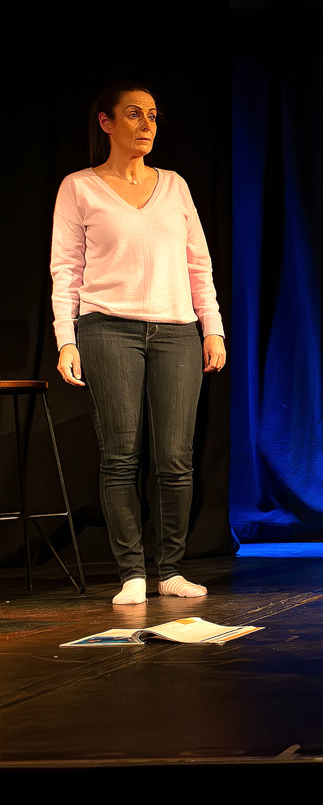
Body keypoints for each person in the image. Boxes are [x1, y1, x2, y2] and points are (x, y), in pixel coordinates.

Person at [50, 82, 226, 605]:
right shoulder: (79, 187)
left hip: (176, 330)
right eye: (133, 114)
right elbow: (66, 269)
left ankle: (169, 568)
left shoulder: (174, 186)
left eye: (151, 115)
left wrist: (212, 327)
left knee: (175, 458)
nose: (146, 125)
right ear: (106, 123)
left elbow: (199, 263)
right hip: (107, 328)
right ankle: (131, 572)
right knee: (121, 455)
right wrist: (66, 339)